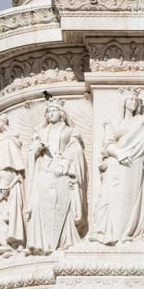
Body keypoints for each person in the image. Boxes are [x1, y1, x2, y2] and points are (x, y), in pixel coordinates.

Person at [90, 87, 144, 245]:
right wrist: (119, 154)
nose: (133, 102)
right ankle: (105, 233)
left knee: (129, 204)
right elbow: (107, 144)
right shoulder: (112, 123)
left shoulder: (143, 121)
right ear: (123, 103)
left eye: (135, 100)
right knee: (106, 201)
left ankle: (125, 235)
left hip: (135, 166)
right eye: (130, 99)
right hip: (117, 166)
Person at [26, 97, 87, 254]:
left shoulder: (70, 131)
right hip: (44, 171)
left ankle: (66, 241)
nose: (51, 113)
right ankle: (42, 243)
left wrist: (65, 162)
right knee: (39, 203)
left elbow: (75, 148)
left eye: (54, 110)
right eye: (49, 111)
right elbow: (32, 152)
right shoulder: (41, 132)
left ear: (61, 113)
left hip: (62, 171)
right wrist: (37, 149)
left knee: (62, 203)